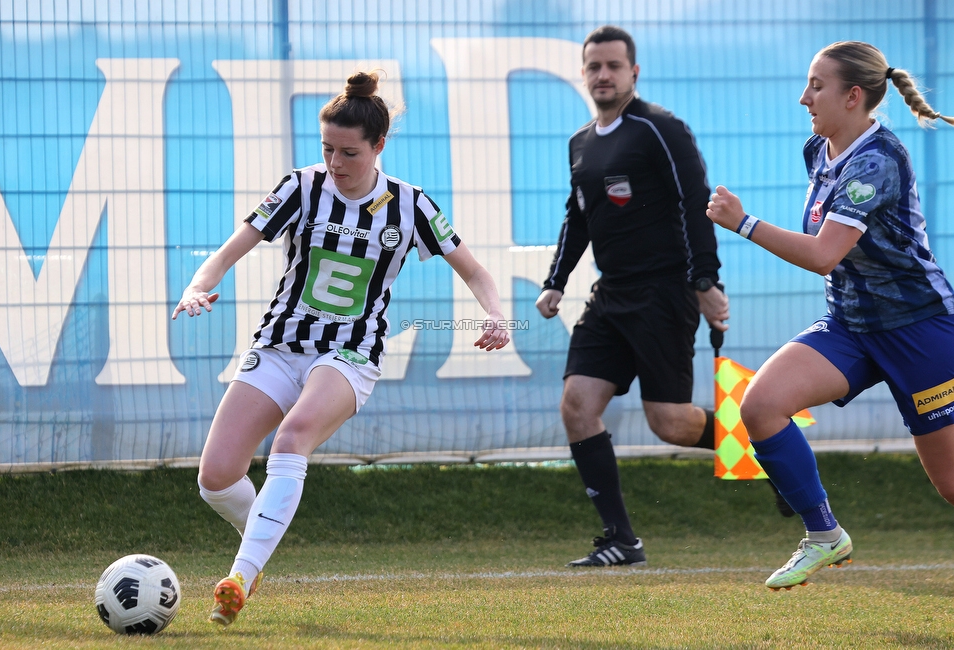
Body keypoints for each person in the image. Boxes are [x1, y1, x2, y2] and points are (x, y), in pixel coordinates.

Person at [173, 71, 511, 625]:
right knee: (215, 477)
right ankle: (262, 538)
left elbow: (475, 271)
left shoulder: (411, 206)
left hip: (350, 353)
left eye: (349, 153)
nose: (335, 162)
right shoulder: (300, 188)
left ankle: (239, 577)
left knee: (293, 437)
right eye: (327, 148)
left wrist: (496, 315)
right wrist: (196, 286)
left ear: (378, 147)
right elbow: (230, 250)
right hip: (281, 345)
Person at [707, 41, 954, 590]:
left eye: (816, 86)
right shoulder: (817, 150)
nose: (804, 98)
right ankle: (824, 536)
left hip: (919, 329)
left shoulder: (877, 159)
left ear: (853, 96)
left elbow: (824, 253)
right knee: (761, 406)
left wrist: (744, 223)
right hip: (851, 326)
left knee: (951, 484)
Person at [535, 25, 741, 569]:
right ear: (584, 73)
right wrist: (556, 280)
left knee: (669, 423)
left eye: (613, 66)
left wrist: (705, 282)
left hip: (665, 293)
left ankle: (756, 433)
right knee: (577, 406)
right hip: (611, 295)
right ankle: (620, 539)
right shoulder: (580, 142)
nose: (603, 75)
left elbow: (695, 202)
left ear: (634, 72)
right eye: (594, 67)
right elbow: (578, 215)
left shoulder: (660, 129)